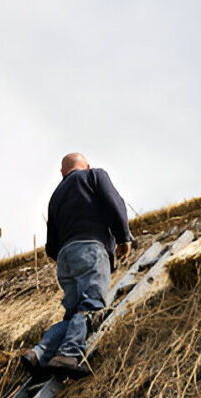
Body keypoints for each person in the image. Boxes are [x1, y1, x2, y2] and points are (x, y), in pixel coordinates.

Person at [21, 153, 133, 379]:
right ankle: (69, 354)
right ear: (86, 165)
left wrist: (66, 255)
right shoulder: (94, 175)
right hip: (91, 249)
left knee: (73, 314)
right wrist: (123, 238)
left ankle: (40, 352)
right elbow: (114, 202)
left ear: (63, 172)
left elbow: (50, 243)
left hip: (64, 258)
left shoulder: (56, 196)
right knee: (91, 307)